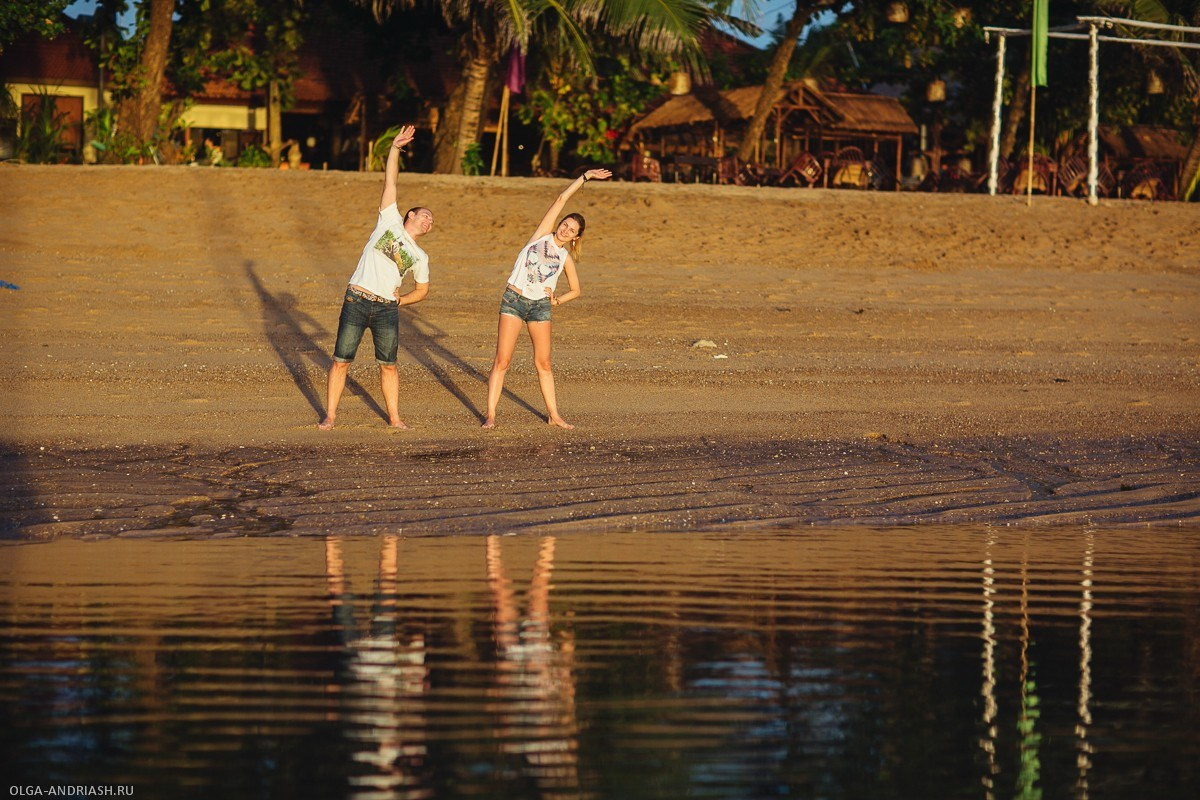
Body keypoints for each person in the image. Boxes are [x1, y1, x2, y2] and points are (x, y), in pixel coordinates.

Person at [318, 125, 431, 431]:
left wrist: (402, 300)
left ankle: (394, 418)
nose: (428, 221)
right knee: (342, 359)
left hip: (386, 308)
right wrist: (395, 148)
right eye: (424, 215)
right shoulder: (390, 220)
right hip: (357, 299)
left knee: (389, 366)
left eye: (431, 221)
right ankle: (330, 415)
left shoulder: (421, 257)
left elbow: (423, 289)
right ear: (409, 216)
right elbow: (390, 180)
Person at [482, 168, 611, 429]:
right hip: (514, 301)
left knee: (544, 363)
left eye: (571, 230)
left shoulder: (565, 258)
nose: (565, 229)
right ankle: (491, 416)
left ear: (576, 237)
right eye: (564, 224)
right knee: (502, 360)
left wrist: (557, 300)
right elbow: (561, 199)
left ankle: (554, 415)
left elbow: (576, 290)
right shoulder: (541, 236)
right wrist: (584, 178)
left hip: (540, 307)